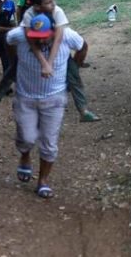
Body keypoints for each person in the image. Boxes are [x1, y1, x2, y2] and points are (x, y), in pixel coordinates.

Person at [7, 14, 90, 198]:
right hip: (25, 97)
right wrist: (15, 62)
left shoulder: (67, 35)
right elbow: (8, 41)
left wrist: (73, 69)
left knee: (49, 143)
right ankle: (25, 155)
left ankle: (43, 180)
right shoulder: (20, 36)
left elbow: (83, 46)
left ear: (54, 30)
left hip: (55, 99)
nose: (41, 40)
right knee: (26, 138)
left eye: (45, 36)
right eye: (36, 37)